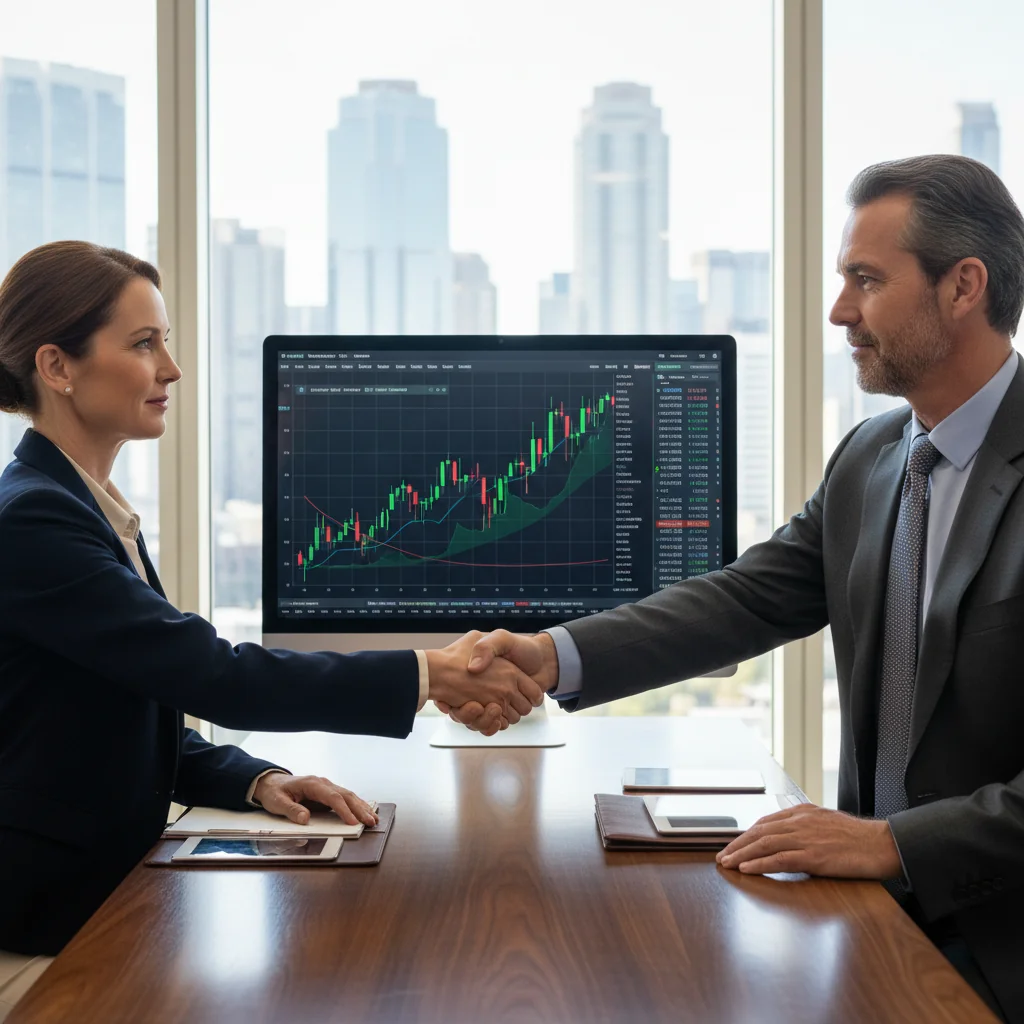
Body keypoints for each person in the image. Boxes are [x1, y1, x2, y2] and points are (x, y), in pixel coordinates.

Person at [443, 154, 1024, 1022]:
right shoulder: (872, 458)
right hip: (873, 924)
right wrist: (548, 655)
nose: (840, 312)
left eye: (866, 281)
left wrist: (891, 843)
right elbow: (746, 599)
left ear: (963, 286)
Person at [0, 241, 542, 1017]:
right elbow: (213, 675)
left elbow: (122, 710)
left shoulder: (78, 505)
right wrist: (430, 673)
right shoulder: (37, 520)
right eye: (143, 343)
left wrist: (256, 780)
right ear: (58, 366)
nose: (171, 369)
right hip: (41, 936)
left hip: (93, 907)